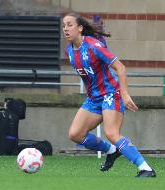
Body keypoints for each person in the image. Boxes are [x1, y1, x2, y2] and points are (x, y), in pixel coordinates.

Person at [63, 12, 156, 177]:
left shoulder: (94, 46)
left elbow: (121, 68)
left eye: (70, 25)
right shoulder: (69, 51)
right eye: (64, 25)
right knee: (75, 134)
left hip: (111, 93)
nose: (66, 29)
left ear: (80, 28)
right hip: (94, 98)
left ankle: (146, 168)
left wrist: (125, 94)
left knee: (112, 133)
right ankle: (112, 150)